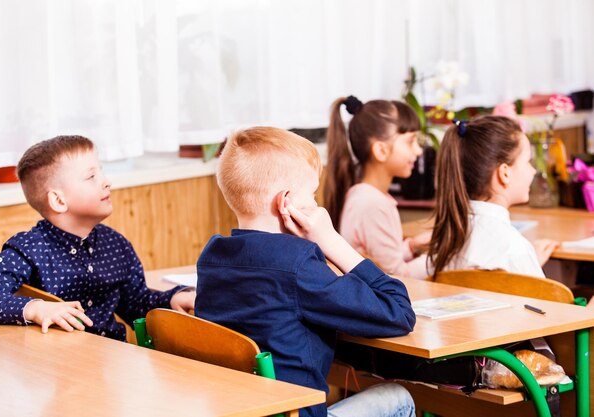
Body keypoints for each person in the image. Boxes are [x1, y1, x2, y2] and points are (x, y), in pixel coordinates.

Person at [195, 127, 416, 417]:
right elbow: (399, 312)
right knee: (398, 397)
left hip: (245, 411)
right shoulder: (297, 265)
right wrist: (331, 241)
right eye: (311, 195)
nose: (315, 204)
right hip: (297, 413)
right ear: (285, 202)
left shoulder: (211, 258)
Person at [0, 135, 195, 340]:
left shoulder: (116, 245)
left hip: (110, 364)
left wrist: (170, 299)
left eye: (102, 172)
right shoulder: (31, 248)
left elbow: (136, 303)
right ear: (58, 200)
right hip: (56, 369)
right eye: (91, 177)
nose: (106, 182)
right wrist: (36, 309)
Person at [428, 115, 559, 278]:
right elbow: (541, 302)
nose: (533, 170)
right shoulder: (514, 248)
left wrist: (529, 262)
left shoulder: (447, 237)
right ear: (504, 173)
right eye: (528, 161)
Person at [325, 95, 431, 279]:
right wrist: (441, 259)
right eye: (410, 141)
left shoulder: (367, 196)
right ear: (381, 150)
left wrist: (412, 246)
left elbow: (383, 261)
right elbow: (396, 277)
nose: (418, 151)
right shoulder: (372, 204)